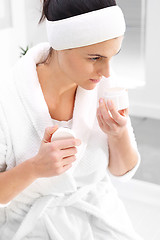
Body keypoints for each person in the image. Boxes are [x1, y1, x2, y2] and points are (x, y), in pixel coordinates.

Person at [0, 0, 143, 239]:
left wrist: (119, 135)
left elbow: (123, 172)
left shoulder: (105, 84)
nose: (107, 71)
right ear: (62, 44)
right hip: (30, 225)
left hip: (99, 217)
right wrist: (35, 168)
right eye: (95, 58)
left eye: (112, 56)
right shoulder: (7, 97)